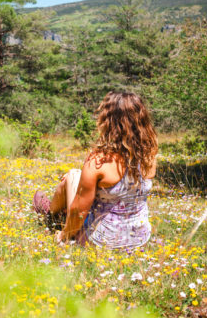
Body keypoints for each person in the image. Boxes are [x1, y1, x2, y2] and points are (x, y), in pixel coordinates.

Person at [32, 91, 158, 249]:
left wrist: (64, 235)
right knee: (78, 179)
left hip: (101, 241)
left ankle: (50, 214)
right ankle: (52, 211)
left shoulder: (99, 161)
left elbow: (79, 211)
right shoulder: (149, 155)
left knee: (72, 175)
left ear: (108, 121)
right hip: (139, 238)